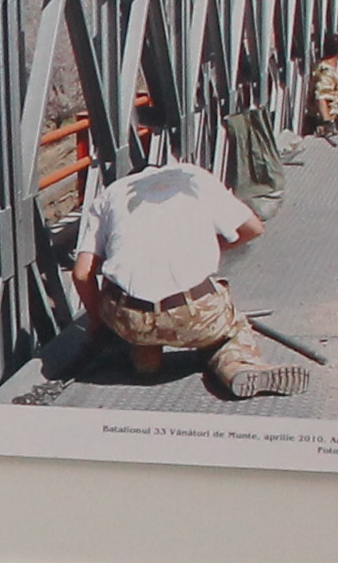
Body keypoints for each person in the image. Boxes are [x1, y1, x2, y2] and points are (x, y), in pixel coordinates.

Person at [68, 158, 292, 397]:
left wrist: (98, 323)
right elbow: (254, 229)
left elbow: (82, 274)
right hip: (193, 312)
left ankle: (146, 356)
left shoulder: (109, 194)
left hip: (129, 319)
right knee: (227, 328)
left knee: (131, 304)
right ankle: (235, 363)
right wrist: (212, 247)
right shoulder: (193, 178)